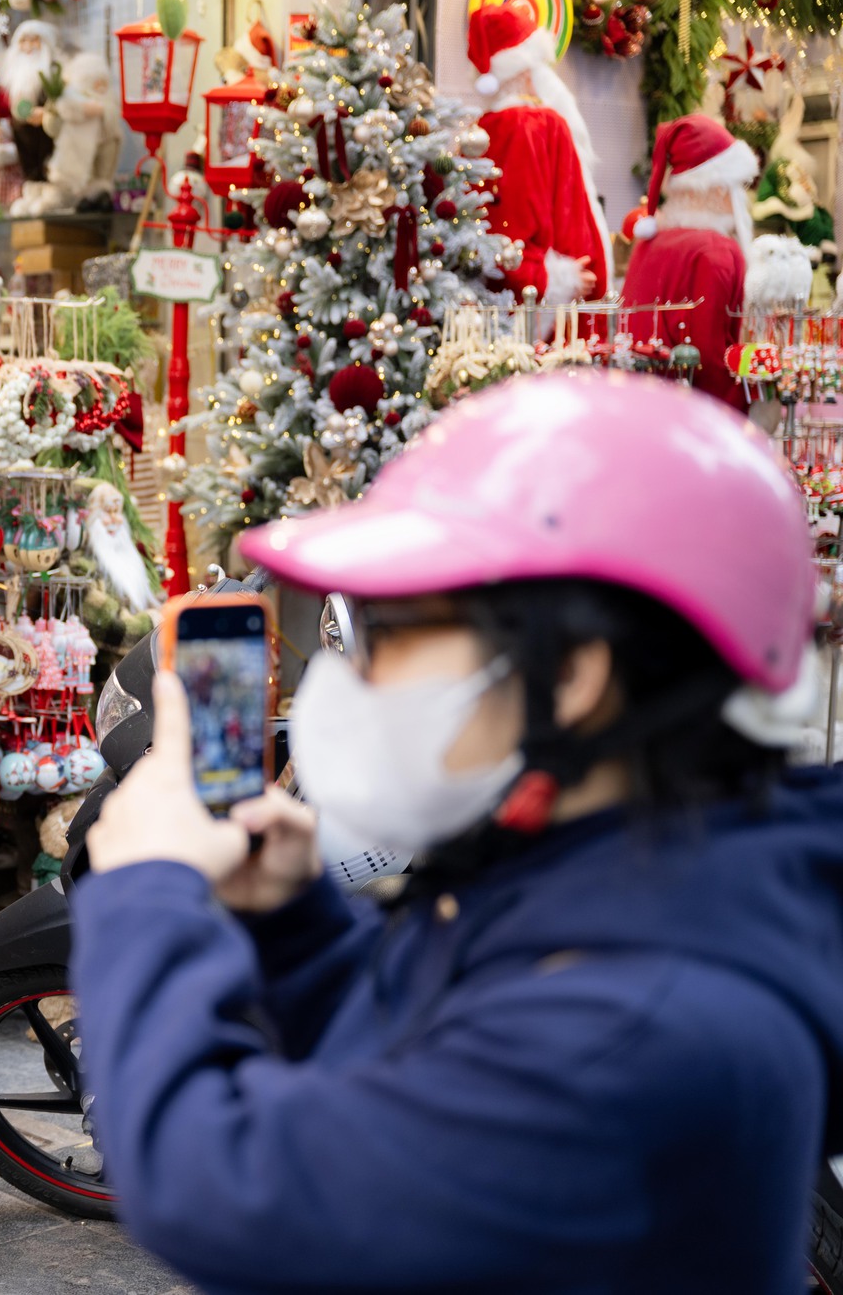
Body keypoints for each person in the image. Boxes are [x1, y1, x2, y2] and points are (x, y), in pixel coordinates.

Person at [75, 370, 835, 1293]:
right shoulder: (631, 879)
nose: (354, 672)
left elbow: (229, 1183)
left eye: (395, 632)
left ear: (571, 677)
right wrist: (294, 921)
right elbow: (432, 1036)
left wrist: (147, 895)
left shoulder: (635, 1026)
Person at [467, 2, 610, 302]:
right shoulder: (532, 124)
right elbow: (513, 225)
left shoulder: (487, 127)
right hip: (546, 307)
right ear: (527, 70)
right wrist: (553, 279)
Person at [621, 113, 760, 410]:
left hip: (637, 406)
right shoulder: (717, 250)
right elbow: (708, 361)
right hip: (689, 419)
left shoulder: (650, 242)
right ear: (720, 187)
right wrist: (757, 401)